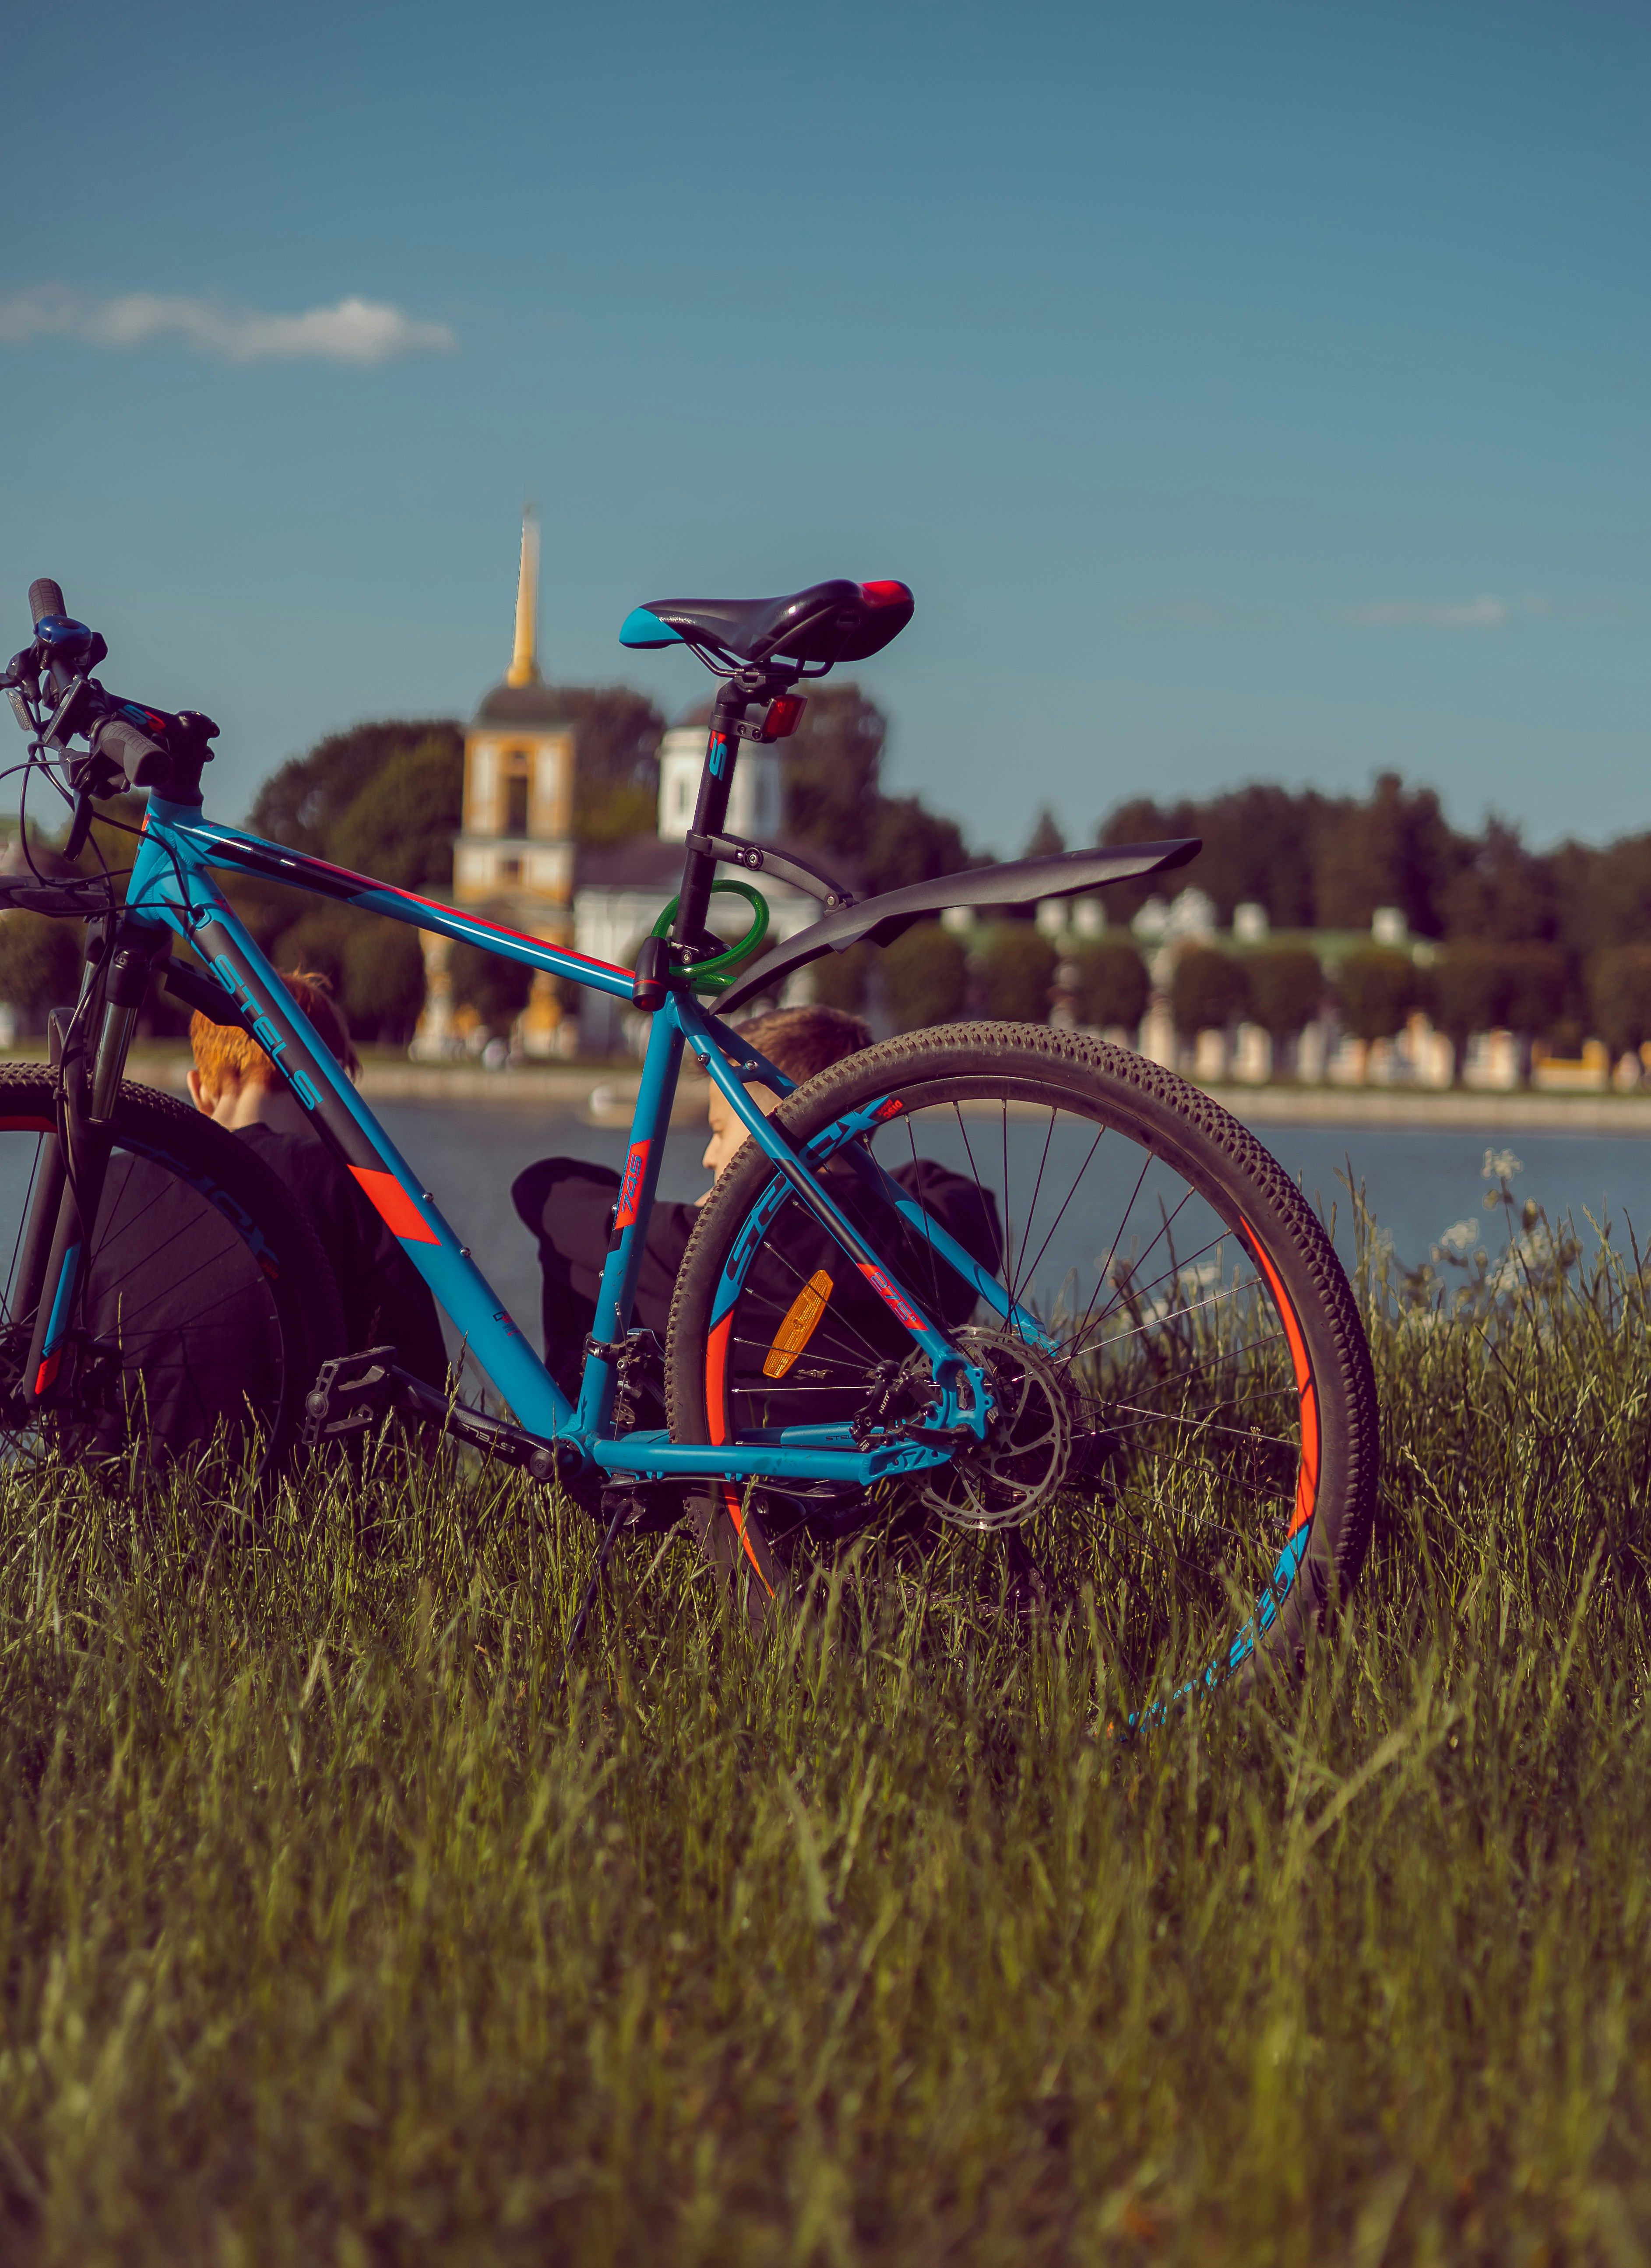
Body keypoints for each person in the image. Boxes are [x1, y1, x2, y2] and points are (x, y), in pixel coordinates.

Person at [511, 1004, 1002, 1618]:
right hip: (893, 1505)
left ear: (768, 1127)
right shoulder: (929, 1224)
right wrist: (852, 1176)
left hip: (766, 1503)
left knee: (595, 1261)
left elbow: (544, 1189)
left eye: (720, 1129)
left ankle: (595, 1472)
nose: (708, 1156)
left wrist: (713, 1216)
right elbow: (951, 1190)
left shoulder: (697, 1248)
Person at [186, 971, 448, 1393]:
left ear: (198, 1088)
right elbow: (422, 1384)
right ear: (333, 1086)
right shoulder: (355, 1187)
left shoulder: (117, 1177)